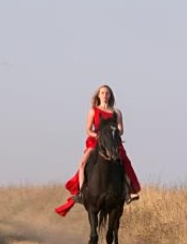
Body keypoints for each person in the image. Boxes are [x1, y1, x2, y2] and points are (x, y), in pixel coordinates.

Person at [54, 85, 141, 217]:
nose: (105, 95)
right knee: (83, 162)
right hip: (96, 141)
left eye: (107, 93)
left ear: (110, 95)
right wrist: (99, 136)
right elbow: (88, 129)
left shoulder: (117, 112)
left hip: (112, 142)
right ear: (98, 95)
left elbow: (121, 129)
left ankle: (127, 192)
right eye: (102, 93)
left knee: (124, 162)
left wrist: (115, 133)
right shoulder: (93, 111)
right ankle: (81, 193)